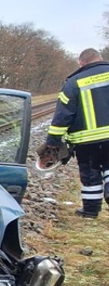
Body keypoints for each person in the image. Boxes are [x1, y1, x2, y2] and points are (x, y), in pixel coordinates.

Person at [39, 48, 109, 218]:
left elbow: (63, 116)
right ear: (100, 58)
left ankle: (91, 212)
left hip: (87, 141)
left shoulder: (74, 82)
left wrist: (53, 141)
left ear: (82, 63)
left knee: (90, 174)